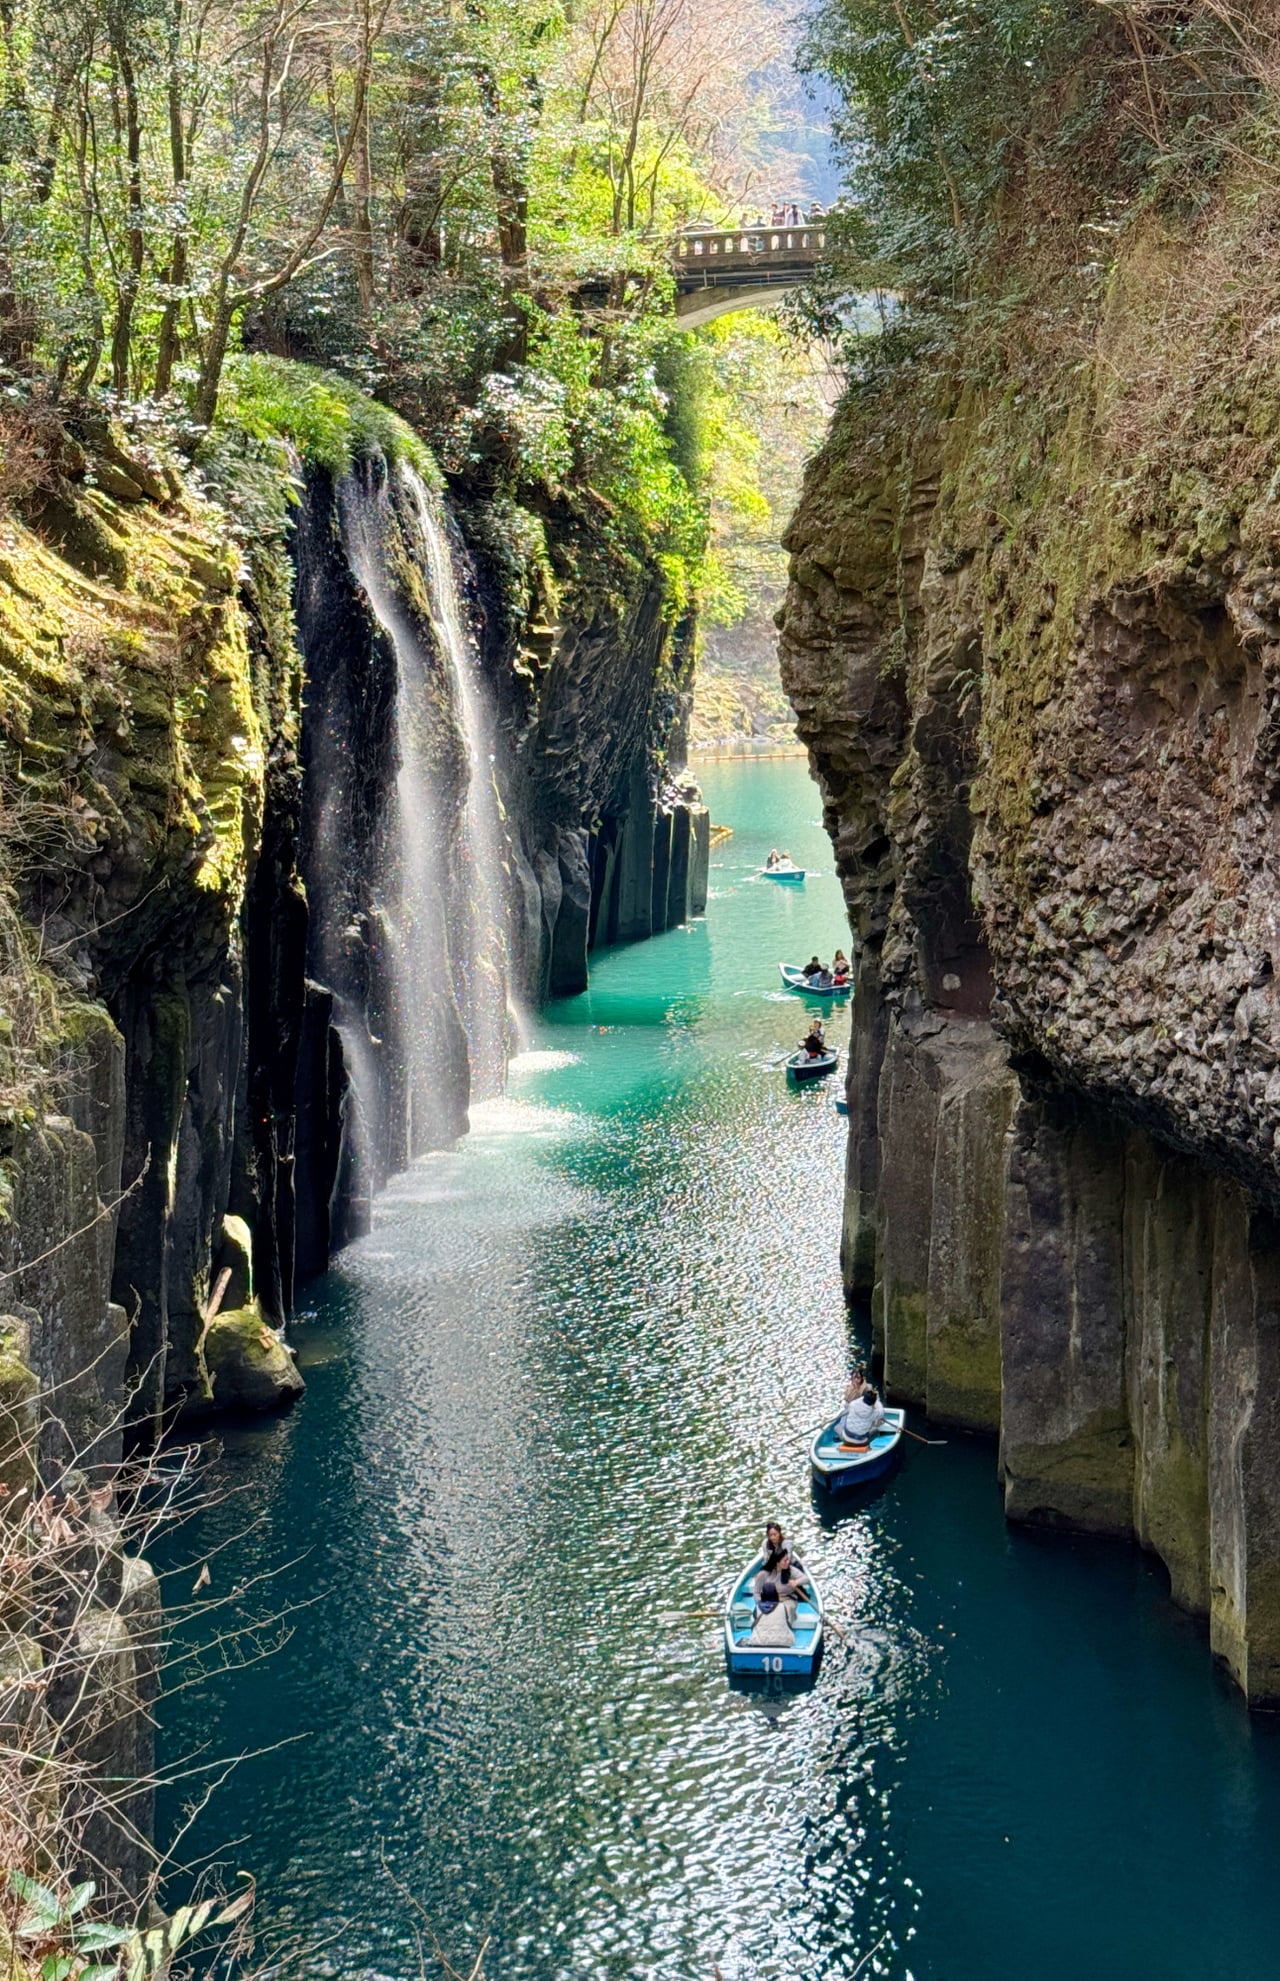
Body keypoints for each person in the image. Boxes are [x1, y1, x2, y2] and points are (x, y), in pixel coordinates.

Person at [745, 1577, 795, 1648]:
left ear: (762, 1594)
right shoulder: (782, 1607)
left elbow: (753, 1623)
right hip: (783, 1642)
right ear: (775, 1593)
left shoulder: (757, 1607)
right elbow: (787, 1622)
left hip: (759, 1642)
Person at [839, 1383, 886, 1449]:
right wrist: (877, 1400)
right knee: (876, 1430)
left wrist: (869, 1395)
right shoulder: (875, 1413)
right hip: (861, 1442)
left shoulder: (853, 1404)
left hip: (846, 1438)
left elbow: (861, 1399)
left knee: (844, 1417)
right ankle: (868, 1446)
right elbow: (881, 1410)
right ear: (873, 1402)